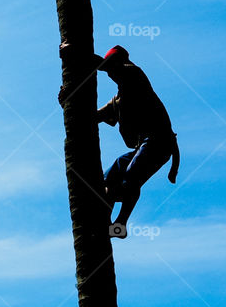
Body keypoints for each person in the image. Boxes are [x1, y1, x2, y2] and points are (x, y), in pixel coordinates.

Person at [60, 44, 179, 239]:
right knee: (106, 180)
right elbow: (91, 117)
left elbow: (106, 66)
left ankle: (120, 224)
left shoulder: (134, 75)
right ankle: (105, 224)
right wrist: (68, 103)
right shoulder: (118, 101)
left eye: (113, 68)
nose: (111, 74)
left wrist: (75, 53)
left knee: (130, 178)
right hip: (142, 144)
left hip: (159, 141)